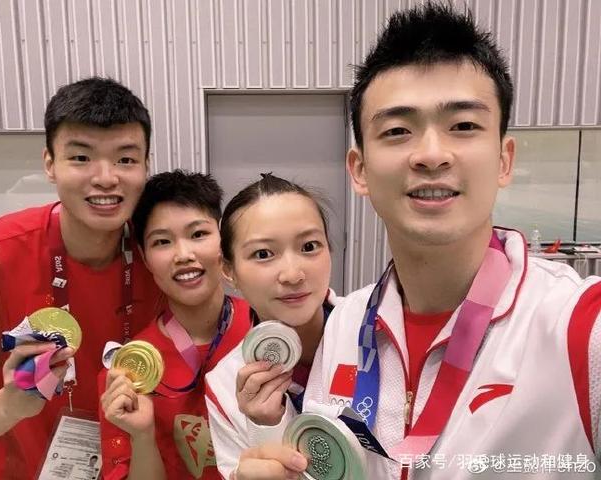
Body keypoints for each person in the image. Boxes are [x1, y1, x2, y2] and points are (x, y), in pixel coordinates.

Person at [234, 3, 601, 479]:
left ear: (504, 159)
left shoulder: (578, 329)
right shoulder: (347, 323)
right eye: (397, 131)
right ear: (359, 170)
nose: (431, 154)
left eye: (463, 125)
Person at [0, 77, 162, 479]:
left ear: (146, 165)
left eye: (125, 159)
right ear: (50, 164)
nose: (106, 178)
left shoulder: (162, 257)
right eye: (81, 157)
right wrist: (8, 405)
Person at [99, 170, 251, 479]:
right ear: (145, 257)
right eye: (162, 242)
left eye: (198, 234)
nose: (183, 255)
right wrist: (142, 436)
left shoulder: (267, 331)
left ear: (223, 240)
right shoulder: (127, 373)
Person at [205, 174, 340, 478]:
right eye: (263, 254)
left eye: (309, 246)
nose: (292, 274)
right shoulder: (224, 386)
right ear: (229, 270)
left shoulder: (375, 331)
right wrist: (265, 427)